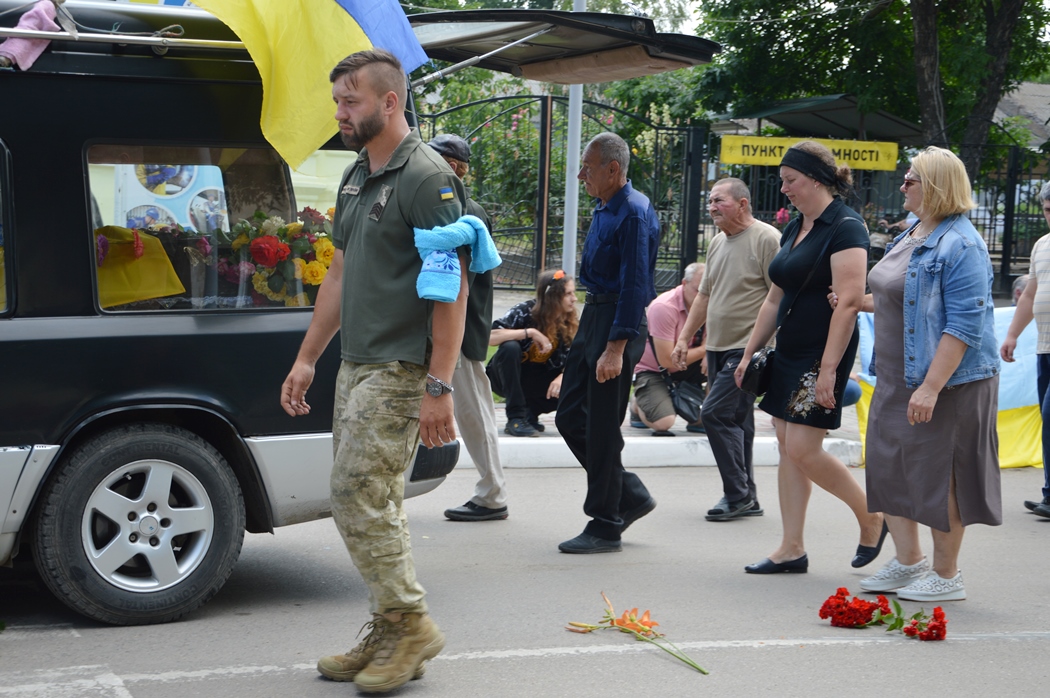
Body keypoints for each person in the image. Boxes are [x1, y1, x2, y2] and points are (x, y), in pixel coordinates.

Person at [279, 49, 467, 692]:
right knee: (375, 498)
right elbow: (338, 269)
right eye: (337, 100)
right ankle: (390, 629)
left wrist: (438, 386)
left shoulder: (426, 177)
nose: (339, 112)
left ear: (390, 102)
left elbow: (451, 287)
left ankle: (409, 623)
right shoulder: (358, 172)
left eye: (349, 100)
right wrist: (308, 356)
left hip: (401, 364)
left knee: (354, 491)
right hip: (357, 361)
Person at [854, 147, 1000, 601]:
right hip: (898, 375)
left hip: (946, 382)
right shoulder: (915, 231)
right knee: (889, 468)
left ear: (935, 185)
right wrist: (852, 301)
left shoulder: (963, 245)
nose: (902, 185)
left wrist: (932, 387)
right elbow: (904, 299)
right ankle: (907, 561)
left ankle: (946, 573)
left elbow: (963, 325)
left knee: (940, 475)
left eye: (911, 178)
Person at [733, 141, 884, 574]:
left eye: (790, 180)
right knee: (786, 448)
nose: (784, 189)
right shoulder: (797, 226)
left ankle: (871, 516)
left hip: (822, 353)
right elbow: (774, 298)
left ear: (815, 179)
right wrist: (751, 352)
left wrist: (830, 370)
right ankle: (791, 548)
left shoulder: (847, 226)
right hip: (787, 351)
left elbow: (851, 303)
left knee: (802, 446)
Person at [555, 132, 660, 554]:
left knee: (601, 426)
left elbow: (636, 285)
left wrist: (615, 347)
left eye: (588, 167)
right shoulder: (606, 206)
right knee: (569, 416)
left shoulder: (634, 212)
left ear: (613, 169)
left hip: (619, 320)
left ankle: (605, 524)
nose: (582, 175)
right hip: (596, 316)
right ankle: (628, 494)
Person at [672, 178, 781, 521]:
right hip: (719, 346)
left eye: (719, 201)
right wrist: (685, 338)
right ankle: (748, 495)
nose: (712, 207)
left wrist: (760, 349)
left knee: (715, 413)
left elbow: (778, 297)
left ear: (743, 203)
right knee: (738, 420)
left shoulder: (767, 238)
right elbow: (704, 296)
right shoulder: (718, 242)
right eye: (710, 202)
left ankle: (737, 494)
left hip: (749, 347)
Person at [428, 133, 509, 522]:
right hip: (448, 332)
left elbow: (459, 285)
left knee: (474, 415)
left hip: (460, 332)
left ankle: (492, 494)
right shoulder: (449, 205)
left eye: (436, 160)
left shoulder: (462, 210)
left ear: (456, 168)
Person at [1001, 181, 1050, 516]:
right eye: (1048, 209)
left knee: (1049, 414)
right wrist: (1013, 334)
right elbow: (1030, 294)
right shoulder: (1042, 245)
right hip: (1045, 349)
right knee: (1047, 420)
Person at [487, 268, 578, 437]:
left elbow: (579, 358)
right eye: (568, 294)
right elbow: (490, 337)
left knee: (578, 377)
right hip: (505, 377)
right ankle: (516, 417)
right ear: (553, 296)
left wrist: (563, 376)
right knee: (510, 348)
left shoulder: (570, 322)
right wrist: (530, 332)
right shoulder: (524, 311)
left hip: (539, 381)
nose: (575, 299)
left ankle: (530, 413)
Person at [631, 262, 707, 435]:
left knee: (723, 363)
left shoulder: (712, 302)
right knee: (663, 423)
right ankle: (637, 404)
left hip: (688, 364)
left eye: (708, 290)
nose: (704, 296)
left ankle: (705, 413)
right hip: (655, 370)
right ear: (684, 284)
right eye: (698, 290)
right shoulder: (664, 307)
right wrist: (706, 350)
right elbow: (667, 360)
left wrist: (711, 353)